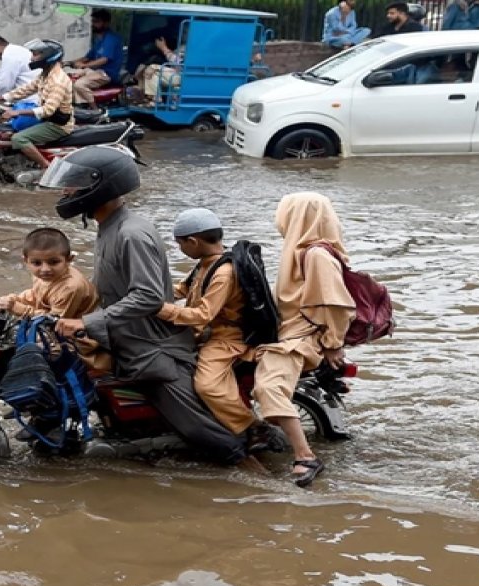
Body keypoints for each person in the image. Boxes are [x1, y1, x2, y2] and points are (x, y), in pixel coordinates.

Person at [48, 147, 248, 468]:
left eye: (73, 185)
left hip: (152, 351)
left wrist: (89, 321)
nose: (66, 191)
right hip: (124, 339)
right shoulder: (109, 227)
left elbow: (148, 297)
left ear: (100, 187)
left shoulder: (131, 234)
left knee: (199, 430)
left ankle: (253, 469)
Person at [157, 208, 284, 454]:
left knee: (207, 386)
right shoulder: (205, 264)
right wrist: (147, 293)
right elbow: (182, 290)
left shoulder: (223, 273)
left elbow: (203, 314)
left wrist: (160, 309)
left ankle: (253, 426)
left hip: (225, 338)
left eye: (181, 244)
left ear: (193, 242)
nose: (181, 249)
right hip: (205, 333)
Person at [251, 193, 356, 488]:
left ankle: (305, 455)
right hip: (289, 331)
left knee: (269, 388)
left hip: (300, 339)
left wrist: (334, 343)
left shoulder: (316, 255)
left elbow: (335, 304)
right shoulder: (300, 251)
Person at [0, 227, 108, 376]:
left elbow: (53, 323)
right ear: (26, 261)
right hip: (53, 325)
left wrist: (18, 308)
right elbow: (34, 295)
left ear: (69, 260)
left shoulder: (70, 287)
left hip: (78, 339)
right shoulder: (44, 276)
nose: (45, 269)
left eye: (53, 262)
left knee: (22, 358)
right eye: (37, 263)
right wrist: (8, 300)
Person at [0, 39, 74, 172]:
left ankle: (47, 168)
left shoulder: (57, 81)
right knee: (5, 132)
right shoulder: (46, 74)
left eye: (36, 54)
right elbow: (26, 89)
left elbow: (48, 110)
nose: (31, 58)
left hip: (57, 126)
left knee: (19, 138)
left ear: (48, 55)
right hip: (46, 120)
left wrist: (17, 112)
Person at [71, 9, 123, 107]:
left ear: (106, 23)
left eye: (97, 22)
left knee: (80, 84)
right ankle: (79, 105)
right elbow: (88, 57)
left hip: (106, 74)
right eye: (93, 21)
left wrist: (84, 65)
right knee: (69, 78)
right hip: (95, 71)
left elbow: (104, 59)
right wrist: (69, 62)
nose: (93, 24)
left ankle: (94, 111)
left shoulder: (111, 39)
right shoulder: (98, 39)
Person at [0, 35, 39, 99]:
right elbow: (1, 70)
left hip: (30, 98)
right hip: (32, 92)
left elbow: (4, 85)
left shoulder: (10, 56)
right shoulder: (14, 50)